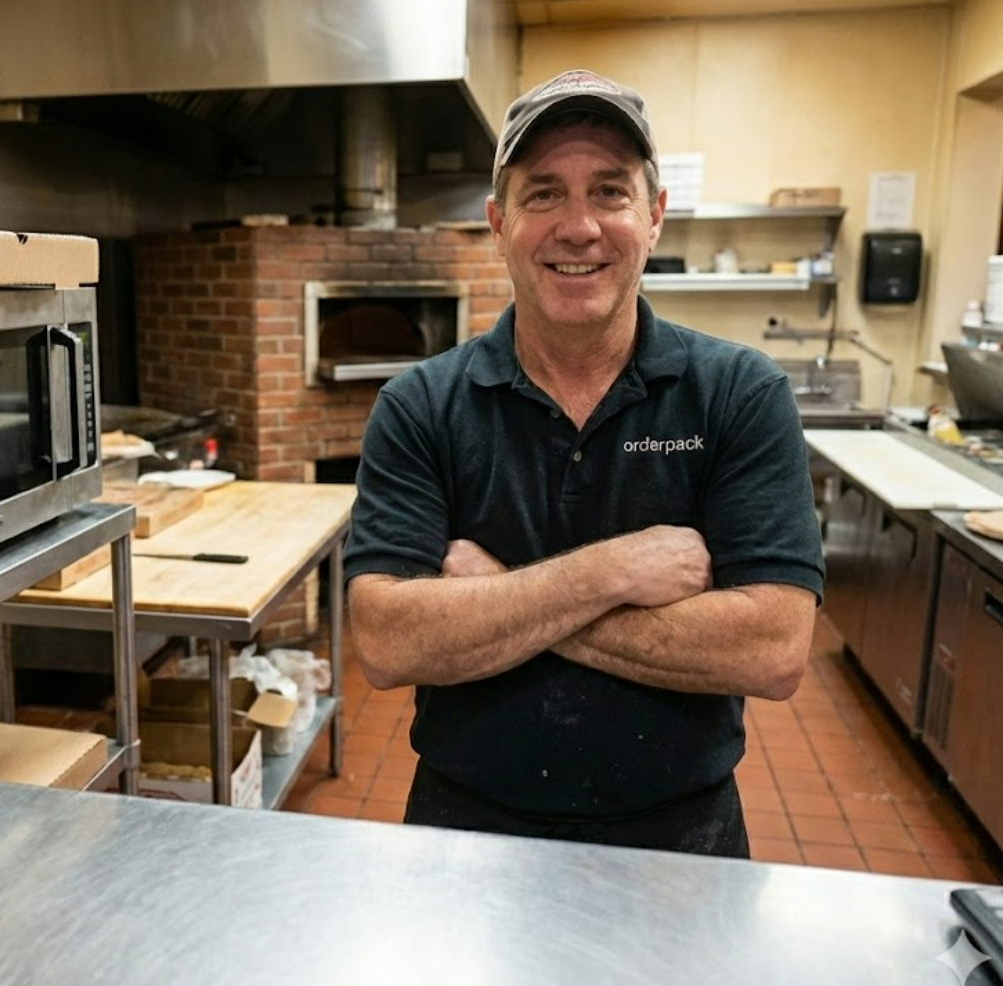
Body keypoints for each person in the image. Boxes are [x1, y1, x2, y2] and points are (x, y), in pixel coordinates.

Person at [343, 69, 825, 858]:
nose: (579, 227)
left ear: (654, 217)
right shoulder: (420, 404)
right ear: (498, 224)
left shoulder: (737, 393)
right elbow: (391, 642)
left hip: (681, 839)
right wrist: (612, 571)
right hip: (465, 832)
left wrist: (499, 599)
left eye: (609, 191)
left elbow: (771, 649)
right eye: (543, 195)